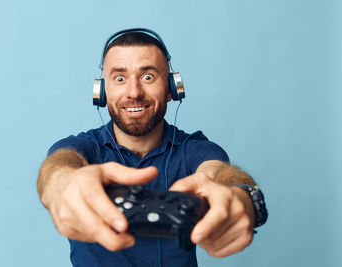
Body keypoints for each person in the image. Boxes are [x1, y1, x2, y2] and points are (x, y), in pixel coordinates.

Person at [37, 28, 267, 267]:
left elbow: (221, 173)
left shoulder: (194, 148)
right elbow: (58, 167)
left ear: (170, 89)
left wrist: (242, 196)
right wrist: (61, 182)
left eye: (148, 77)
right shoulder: (82, 147)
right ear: (102, 92)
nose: (134, 92)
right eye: (119, 78)